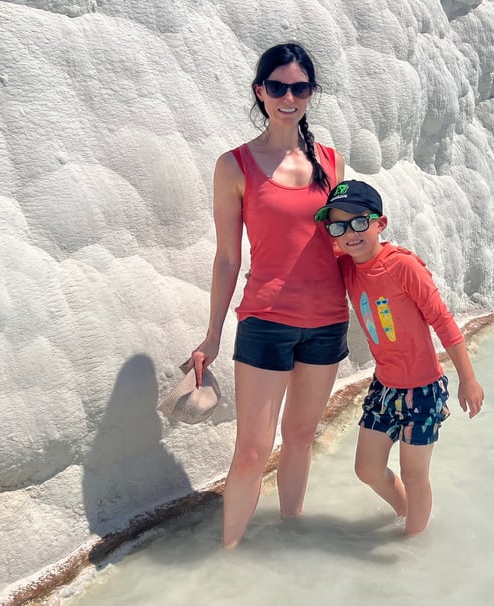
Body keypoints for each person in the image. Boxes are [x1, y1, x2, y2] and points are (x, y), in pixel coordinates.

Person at [188, 43, 347, 549]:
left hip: (328, 322)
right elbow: (227, 258)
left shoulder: (331, 162)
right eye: (277, 87)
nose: (288, 97)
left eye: (299, 88)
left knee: (300, 438)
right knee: (252, 452)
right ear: (260, 91)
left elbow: (344, 245)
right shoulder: (234, 165)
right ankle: (228, 560)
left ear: (311, 93)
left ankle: (289, 543)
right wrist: (212, 335)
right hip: (266, 321)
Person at [314, 179, 484, 537]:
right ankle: (407, 513)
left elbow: (442, 320)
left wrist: (468, 379)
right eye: (339, 226)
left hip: (422, 390)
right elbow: (306, 260)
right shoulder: (346, 267)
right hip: (384, 388)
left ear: (380, 223)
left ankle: (414, 545)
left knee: (414, 473)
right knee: (366, 469)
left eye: (359, 221)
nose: (350, 233)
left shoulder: (403, 266)